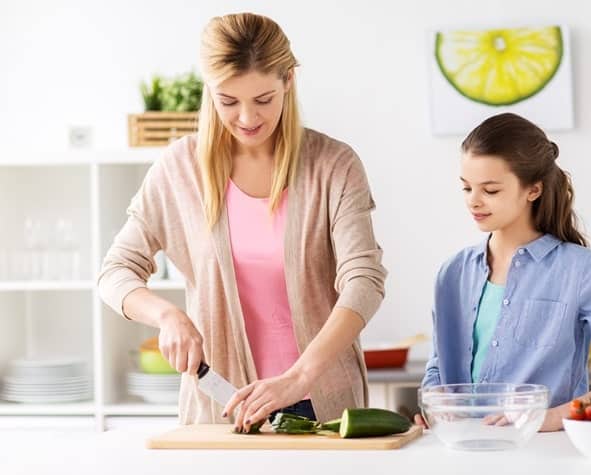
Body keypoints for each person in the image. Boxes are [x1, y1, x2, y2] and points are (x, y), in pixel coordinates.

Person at [98, 12, 386, 433]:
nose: (248, 118)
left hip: (321, 407)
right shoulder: (179, 169)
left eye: (263, 99)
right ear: (208, 89)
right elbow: (115, 272)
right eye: (228, 101)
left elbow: (364, 281)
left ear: (289, 80)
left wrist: (298, 377)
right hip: (219, 407)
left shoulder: (334, 165)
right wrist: (166, 316)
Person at [416, 113, 591, 431]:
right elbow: (438, 366)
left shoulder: (581, 271)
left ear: (533, 190)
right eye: (466, 188)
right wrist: (434, 407)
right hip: (462, 448)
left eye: (490, 190)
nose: (473, 201)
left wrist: (549, 417)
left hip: (547, 450)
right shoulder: (453, 273)